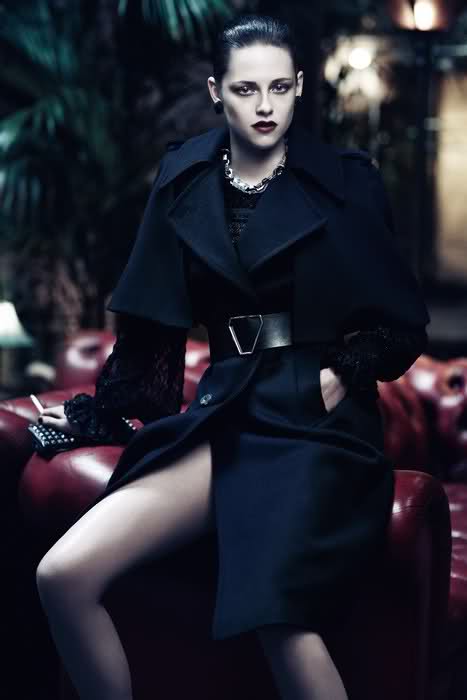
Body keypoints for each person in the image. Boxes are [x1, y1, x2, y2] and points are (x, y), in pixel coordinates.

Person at [34, 13, 430, 700]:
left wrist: (341, 373)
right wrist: (100, 412)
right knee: (63, 574)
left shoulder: (346, 181)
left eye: (279, 87)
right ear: (218, 91)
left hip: (318, 427)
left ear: (299, 86)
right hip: (227, 411)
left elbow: (399, 324)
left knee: (280, 620)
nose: (265, 105)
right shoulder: (183, 176)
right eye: (246, 90)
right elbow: (151, 326)